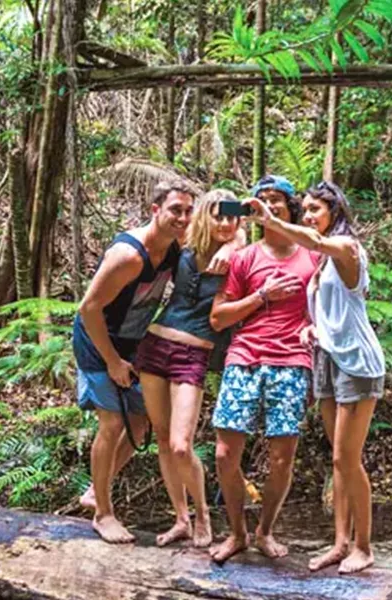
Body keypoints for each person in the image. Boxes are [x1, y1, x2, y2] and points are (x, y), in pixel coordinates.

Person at [244, 180, 385, 574]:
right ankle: (339, 543)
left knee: (347, 458)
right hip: (327, 358)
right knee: (337, 461)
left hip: (357, 363)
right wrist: (314, 330)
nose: (308, 216)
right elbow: (331, 310)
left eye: (315, 210)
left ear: (334, 210)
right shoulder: (323, 260)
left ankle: (364, 546)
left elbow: (312, 242)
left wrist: (271, 219)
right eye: (304, 210)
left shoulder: (344, 247)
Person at [73, 178, 200, 544]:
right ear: (155, 209)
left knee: (140, 425)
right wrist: (111, 361)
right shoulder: (129, 256)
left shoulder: (174, 249)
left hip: (131, 343)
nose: (183, 217)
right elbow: (89, 309)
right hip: (97, 342)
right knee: (112, 424)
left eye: (188, 211)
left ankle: (97, 490)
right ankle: (103, 513)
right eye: (176, 209)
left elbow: (216, 243)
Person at [208, 175, 320, 563]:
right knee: (225, 454)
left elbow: (333, 303)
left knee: (281, 458)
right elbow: (218, 318)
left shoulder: (313, 255)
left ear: (291, 208)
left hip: (292, 360)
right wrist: (261, 296)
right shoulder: (244, 258)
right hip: (245, 356)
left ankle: (265, 531)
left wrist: (313, 326)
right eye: (262, 202)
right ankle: (237, 533)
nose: (270, 207)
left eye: (277, 201)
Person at [135, 189, 245, 548]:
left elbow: (251, 226)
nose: (226, 224)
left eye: (232, 218)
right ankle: (180, 518)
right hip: (154, 346)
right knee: (163, 440)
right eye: (218, 216)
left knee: (182, 444)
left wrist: (233, 243)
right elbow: (157, 229)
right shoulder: (183, 244)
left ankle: (202, 515)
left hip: (193, 355)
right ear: (203, 216)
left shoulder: (241, 256)